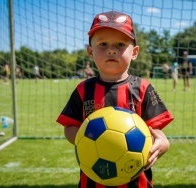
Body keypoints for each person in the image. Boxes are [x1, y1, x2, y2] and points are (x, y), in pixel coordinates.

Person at [56, 11, 174, 188]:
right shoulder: (83, 90)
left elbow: (155, 131)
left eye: (120, 44)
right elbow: (70, 127)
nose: (111, 49)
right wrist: (90, 139)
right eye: (103, 44)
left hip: (137, 182)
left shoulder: (143, 88)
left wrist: (164, 143)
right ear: (90, 51)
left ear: (134, 52)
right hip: (92, 181)